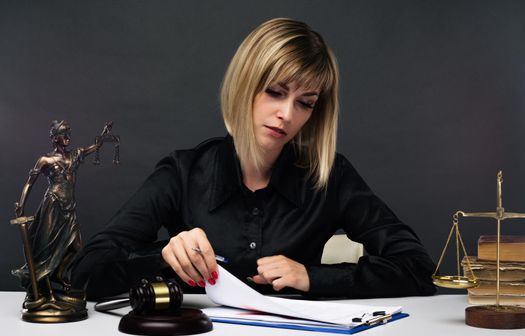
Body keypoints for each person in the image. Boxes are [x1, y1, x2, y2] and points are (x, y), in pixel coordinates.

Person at [72, 18, 436, 299]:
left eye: (305, 103)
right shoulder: (183, 172)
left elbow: (418, 269)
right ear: (245, 84)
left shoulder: (330, 175)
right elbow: (85, 273)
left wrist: (312, 277)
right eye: (275, 92)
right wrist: (164, 259)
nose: (286, 114)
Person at [13, 120, 111, 308]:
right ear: (54, 138)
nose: (67, 137)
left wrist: (103, 134)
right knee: (46, 248)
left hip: (69, 207)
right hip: (53, 205)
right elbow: (29, 183)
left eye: (68, 134)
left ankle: (59, 273)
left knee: (76, 246)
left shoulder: (74, 155)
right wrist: (21, 203)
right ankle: (41, 289)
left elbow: (95, 146)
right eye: (63, 134)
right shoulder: (45, 160)